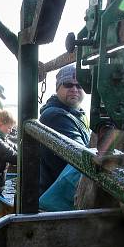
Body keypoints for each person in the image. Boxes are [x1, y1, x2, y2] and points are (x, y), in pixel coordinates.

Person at [39, 65, 90, 194]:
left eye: (79, 85)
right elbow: (83, 158)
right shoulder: (55, 116)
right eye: (68, 84)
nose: (74, 89)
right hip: (54, 195)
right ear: (57, 88)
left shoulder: (78, 113)